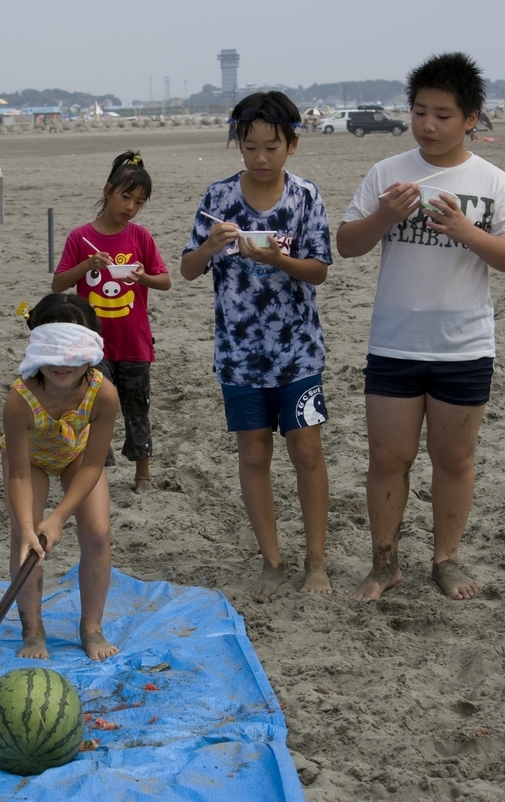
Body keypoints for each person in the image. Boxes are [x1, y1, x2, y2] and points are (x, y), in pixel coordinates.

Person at [337, 52, 505, 601]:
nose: (428, 125)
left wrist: (464, 229)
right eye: (419, 112)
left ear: (471, 118)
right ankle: (384, 562)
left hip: (464, 346)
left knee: (453, 460)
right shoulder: (387, 173)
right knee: (388, 459)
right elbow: (347, 245)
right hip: (395, 343)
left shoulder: (491, 181)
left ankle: (446, 560)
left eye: (443, 115)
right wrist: (386, 215)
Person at [181, 91, 333, 601]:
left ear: (292, 144)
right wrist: (211, 245)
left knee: (307, 450)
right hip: (239, 357)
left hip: (298, 353)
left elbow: (319, 270)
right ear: (238, 145)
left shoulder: (305, 196)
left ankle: (316, 561)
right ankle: (271, 561)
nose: (261, 158)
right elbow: (187, 269)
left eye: (272, 147)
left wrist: (277, 259)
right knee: (252, 455)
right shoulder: (219, 197)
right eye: (250, 148)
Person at [2, 294, 119, 661]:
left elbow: (92, 466)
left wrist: (57, 518)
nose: (61, 364)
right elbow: (19, 475)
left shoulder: (103, 393)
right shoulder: (20, 399)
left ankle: (91, 627)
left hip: (77, 456)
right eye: (51, 351)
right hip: (30, 462)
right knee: (25, 541)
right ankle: (32, 630)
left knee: (97, 532)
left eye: (72, 352)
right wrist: (29, 527)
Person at [51, 151, 170, 494]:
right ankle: (97, 472)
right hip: (93, 343)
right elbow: (58, 284)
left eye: (139, 202)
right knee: (92, 407)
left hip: (134, 342)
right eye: (125, 196)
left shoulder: (140, 237)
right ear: (108, 190)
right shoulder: (80, 237)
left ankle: (143, 472)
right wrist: (87, 265)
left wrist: (142, 277)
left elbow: (165, 281)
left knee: (137, 407)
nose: (130, 207)